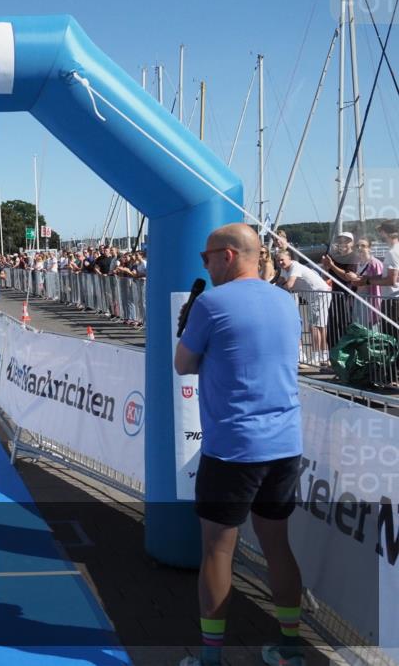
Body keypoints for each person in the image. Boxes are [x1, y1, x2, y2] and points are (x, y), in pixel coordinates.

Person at [175, 223, 304, 666]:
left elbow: (182, 365)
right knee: (277, 546)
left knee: (217, 550)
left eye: (206, 257)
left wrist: (188, 328)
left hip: (234, 447)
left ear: (228, 255)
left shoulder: (211, 303)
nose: (205, 265)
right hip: (285, 445)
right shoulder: (286, 300)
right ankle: (290, 647)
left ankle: (211, 657)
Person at [277, 249, 330, 367]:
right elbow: (280, 282)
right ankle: (323, 355)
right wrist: (279, 284)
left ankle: (318, 356)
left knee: (316, 326)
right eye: (278, 260)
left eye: (282, 260)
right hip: (313, 296)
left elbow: (289, 285)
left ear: (289, 259)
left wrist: (281, 285)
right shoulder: (284, 269)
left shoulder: (295, 267)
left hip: (319, 294)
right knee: (318, 325)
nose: (280, 262)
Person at [358, 221, 399, 334]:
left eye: (381, 231)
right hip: (393, 299)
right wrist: (368, 278)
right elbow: (390, 276)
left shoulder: (392, 252)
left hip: (392, 301)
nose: (380, 234)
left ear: (386, 233)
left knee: (391, 336)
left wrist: (367, 281)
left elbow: (391, 280)